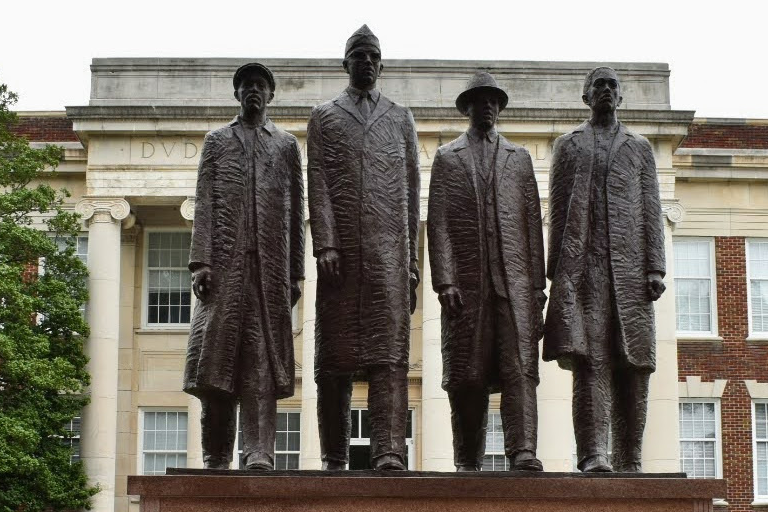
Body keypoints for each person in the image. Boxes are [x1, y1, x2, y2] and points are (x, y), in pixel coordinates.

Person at [307, 24, 420, 471]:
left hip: (388, 255)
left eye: (373, 56)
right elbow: (317, 181)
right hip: (341, 258)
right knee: (332, 360)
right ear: (346, 63)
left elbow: (412, 195)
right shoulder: (325, 115)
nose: (367, 62)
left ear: (381, 64)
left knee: (389, 358)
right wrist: (326, 244)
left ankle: (389, 450)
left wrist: (410, 264)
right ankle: (334, 454)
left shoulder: (400, 117)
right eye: (359, 55)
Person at [543, 66, 667, 473]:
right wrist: (556, 273)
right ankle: (593, 454)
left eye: (613, 85)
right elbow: (557, 209)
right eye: (599, 85)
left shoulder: (640, 148)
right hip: (585, 271)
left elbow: (651, 208)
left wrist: (655, 267)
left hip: (631, 274)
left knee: (635, 366)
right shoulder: (569, 145)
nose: (607, 91)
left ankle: (630, 458)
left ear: (621, 96)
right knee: (591, 364)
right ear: (586, 95)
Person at [183, 62, 304, 470]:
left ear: (271, 94)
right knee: (215, 366)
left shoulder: (286, 145)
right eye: (246, 85)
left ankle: (258, 452)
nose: (253, 91)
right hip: (223, 272)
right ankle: (216, 455)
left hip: (268, 276)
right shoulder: (217, 141)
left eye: (260, 85)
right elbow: (204, 201)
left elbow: (296, 213)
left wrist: (295, 273)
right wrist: (200, 261)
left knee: (260, 365)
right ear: (237, 94)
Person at [427, 72, 546, 472]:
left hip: (514, 286)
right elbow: (438, 221)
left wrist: (537, 289)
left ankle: (523, 450)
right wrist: (444, 280)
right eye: (480, 101)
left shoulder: (519, 158)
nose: (488, 107)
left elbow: (532, 224)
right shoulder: (447, 157)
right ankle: (467, 460)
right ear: (468, 107)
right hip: (466, 287)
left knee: (520, 369)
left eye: (494, 101)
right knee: (466, 376)